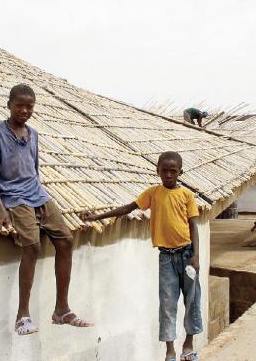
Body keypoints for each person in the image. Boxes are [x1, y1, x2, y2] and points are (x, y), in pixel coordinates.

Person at [0, 84, 92, 336]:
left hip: (37, 194)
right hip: (13, 196)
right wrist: (0, 208)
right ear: (9, 104)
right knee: (32, 245)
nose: (24, 110)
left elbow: (34, 170)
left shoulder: (34, 135)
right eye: (19, 105)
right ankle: (22, 315)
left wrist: (41, 201)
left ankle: (61, 309)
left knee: (65, 240)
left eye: (29, 106)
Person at [81, 151, 202, 361]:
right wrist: (97, 216)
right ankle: (170, 350)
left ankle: (188, 344)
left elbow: (193, 225)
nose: (168, 175)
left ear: (180, 172)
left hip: (187, 254)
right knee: (167, 303)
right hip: (166, 257)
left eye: (173, 171)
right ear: (157, 171)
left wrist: (196, 256)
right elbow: (128, 208)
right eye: (164, 170)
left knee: (192, 300)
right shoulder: (153, 193)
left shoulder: (186, 196)